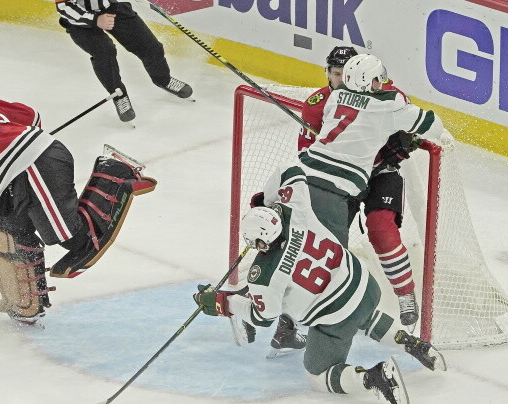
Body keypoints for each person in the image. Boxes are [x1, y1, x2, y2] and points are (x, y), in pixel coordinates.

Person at [194, 163, 446, 404]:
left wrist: (223, 302)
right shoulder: (296, 210)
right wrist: (269, 203)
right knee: (359, 311)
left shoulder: (263, 276)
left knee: (318, 374)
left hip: (336, 316)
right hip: (366, 285)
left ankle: (373, 377)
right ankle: (409, 341)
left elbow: (263, 317)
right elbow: (289, 171)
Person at [0, 95, 156, 324]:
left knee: (75, 239)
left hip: (33, 168)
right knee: (10, 230)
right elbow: (31, 116)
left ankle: (115, 171)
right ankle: (27, 302)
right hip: (26, 169)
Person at [267, 48, 428, 355]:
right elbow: (305, 155)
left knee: (382, 230)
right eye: (336, 73)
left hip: (380, 172)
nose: (342, 79)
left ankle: (406, 296)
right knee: (318, 248)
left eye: (347, 72)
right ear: (327, 74)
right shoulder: (317, 105)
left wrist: (401, 140)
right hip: (338, 182)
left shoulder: (387, 93)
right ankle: (288, 324)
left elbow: (409, 127)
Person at [55, 0, 193, 122]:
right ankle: (118, 94)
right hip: (79, 21)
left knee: (150, 47)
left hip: (111, 7)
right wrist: (95, 19)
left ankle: (164, 80)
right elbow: (63, 7)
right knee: (105, 52)